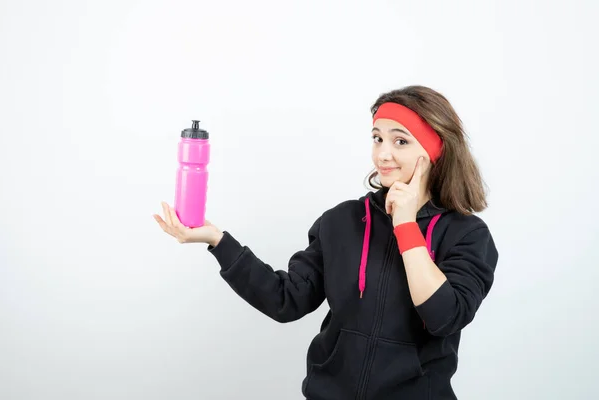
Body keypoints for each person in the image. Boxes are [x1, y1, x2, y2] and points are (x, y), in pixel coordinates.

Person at [153, 85, 499, 400]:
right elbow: (286, 300)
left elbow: (444, 317)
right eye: (377, 138)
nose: (383, 154)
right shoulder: (342, 221)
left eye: (401, 141)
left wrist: (406, 224)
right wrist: (218, 241)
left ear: (435, 149)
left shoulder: (467, 235)